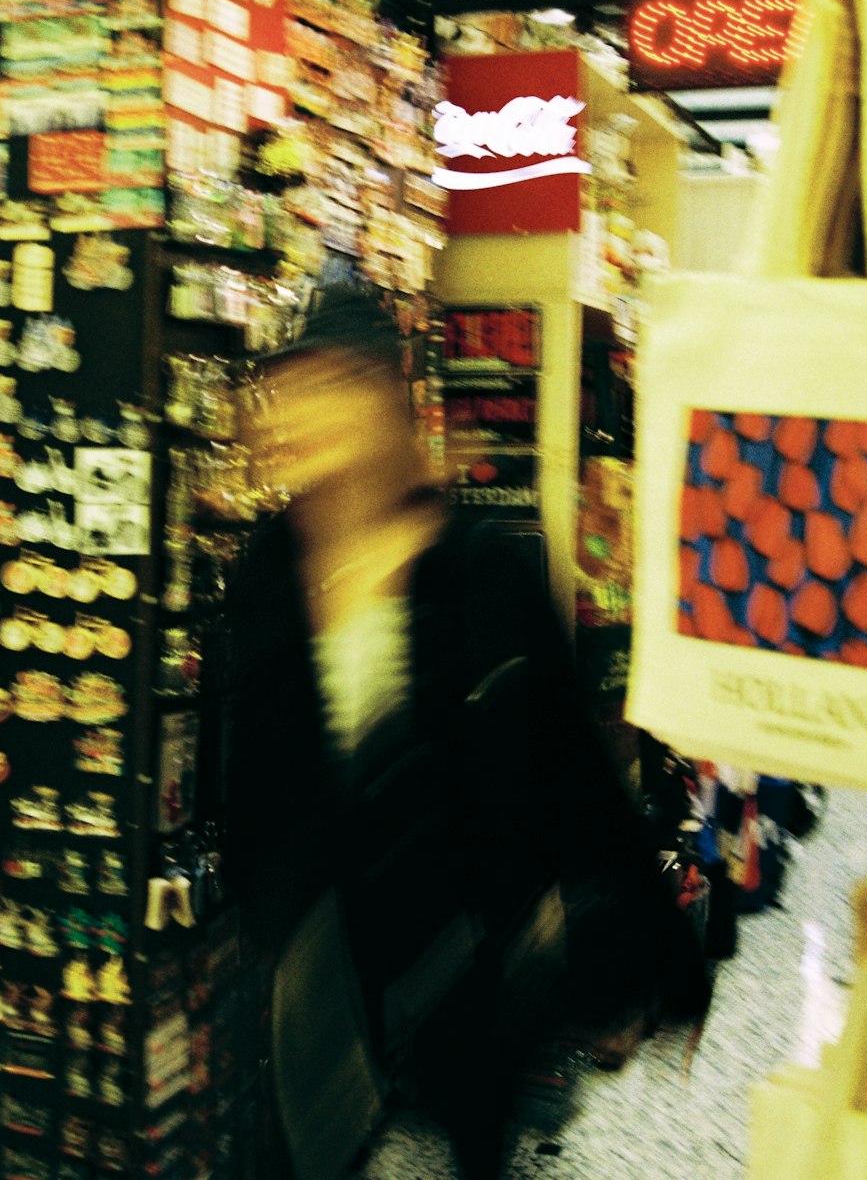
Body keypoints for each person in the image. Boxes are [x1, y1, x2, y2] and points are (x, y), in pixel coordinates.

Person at [225, 281, 711, 1180]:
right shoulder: (264, 581)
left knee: (473, 1143)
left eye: (331, 387)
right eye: (289, 393)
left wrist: (656, 962)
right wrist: (264, 912)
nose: (302, 416)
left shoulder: (482, 573)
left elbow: (574, 771)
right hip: (324, 967)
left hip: (469, 963)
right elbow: (250, 772)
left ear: (384, 399)